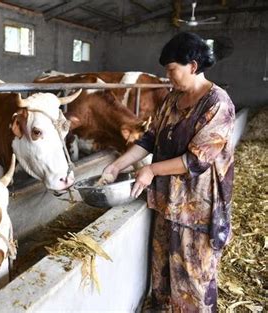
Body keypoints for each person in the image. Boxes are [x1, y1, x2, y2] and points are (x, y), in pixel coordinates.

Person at [100, 32, 235, 312]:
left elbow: (197, 160)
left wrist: (150, 169)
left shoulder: (217, 104)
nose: (168, 77)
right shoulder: (172, 99)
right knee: (162, 278)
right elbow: (149, 139)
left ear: (193, 66)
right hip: (166, 205)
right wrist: (116, 166)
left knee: (193, 282)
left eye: (172, 70)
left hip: (197, 210)